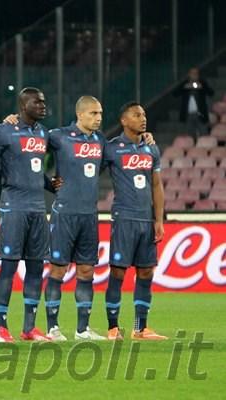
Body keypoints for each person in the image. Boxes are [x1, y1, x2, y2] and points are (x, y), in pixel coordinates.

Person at [0, 87, 57, 343]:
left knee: (36, 267)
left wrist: (52, 185)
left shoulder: (43, 133)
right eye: (37, 102)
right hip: (13, 208)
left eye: (43, 102)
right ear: (23, 105)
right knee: (9, 266)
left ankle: (29, 328)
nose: (42, 106)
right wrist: (7, 176)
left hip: (38, 209)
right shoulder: (4, 131)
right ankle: (1, 327)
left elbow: (34, 169)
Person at [44, 96, 108, 341]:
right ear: (80, 114)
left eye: (100, 113)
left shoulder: (100, 140)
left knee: (86, 270)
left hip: (89, 215)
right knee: (58, 269)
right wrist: (47, 182)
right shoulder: (59, 136)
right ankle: (52, 328)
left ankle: (83, 329)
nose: (98, 118)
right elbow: (29, 150)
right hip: (64, 214)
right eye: (93, 113)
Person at [103, 101, 167, 341]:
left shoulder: (151, 148)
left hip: (146, 220)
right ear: (124, 120)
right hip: (124, 218)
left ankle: (140, 328)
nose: (143, 118)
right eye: (137, 115)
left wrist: (158, 219)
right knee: (118, 272)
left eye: (144, 114)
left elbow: (157, 185)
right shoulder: (112, 148)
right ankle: (113, 327)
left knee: (146, 272)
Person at [173, 67, 214, 138]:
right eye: (193, 73)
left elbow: (211, 93)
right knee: (189, 137)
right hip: (188, 115)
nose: (194, 75)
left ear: (198, 75)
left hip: (201, 114)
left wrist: (202, 87)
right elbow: (175, 94)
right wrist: (184, 87)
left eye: (196, 73)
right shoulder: (185, 83)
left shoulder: (202, 83)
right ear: (189, 74)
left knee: (204, 135)